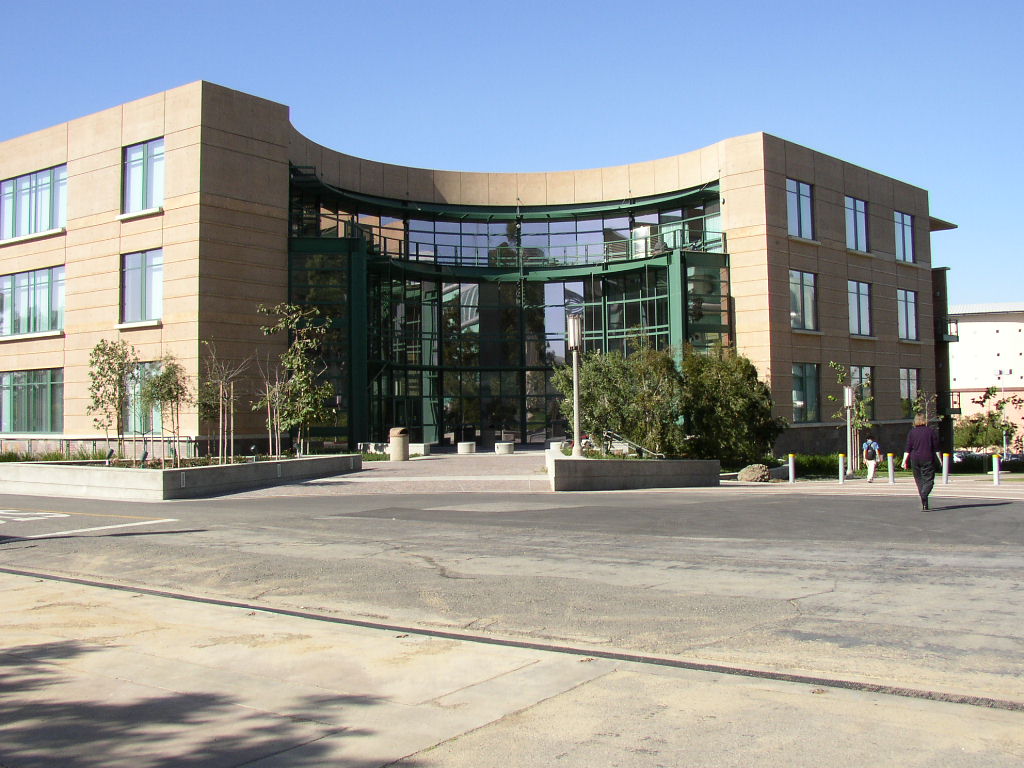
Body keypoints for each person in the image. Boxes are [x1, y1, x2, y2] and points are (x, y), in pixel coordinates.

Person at [900, 414, 941, 510]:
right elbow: (936, 447)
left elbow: (908, 448)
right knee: (929, 480)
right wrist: (940, 459)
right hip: (927, 458)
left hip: (915, 459)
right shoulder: (930, 431)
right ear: (924, 420)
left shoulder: (912, 432)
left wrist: (904, 461)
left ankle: (924, 503)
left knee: (919, 480)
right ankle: (924, 493)